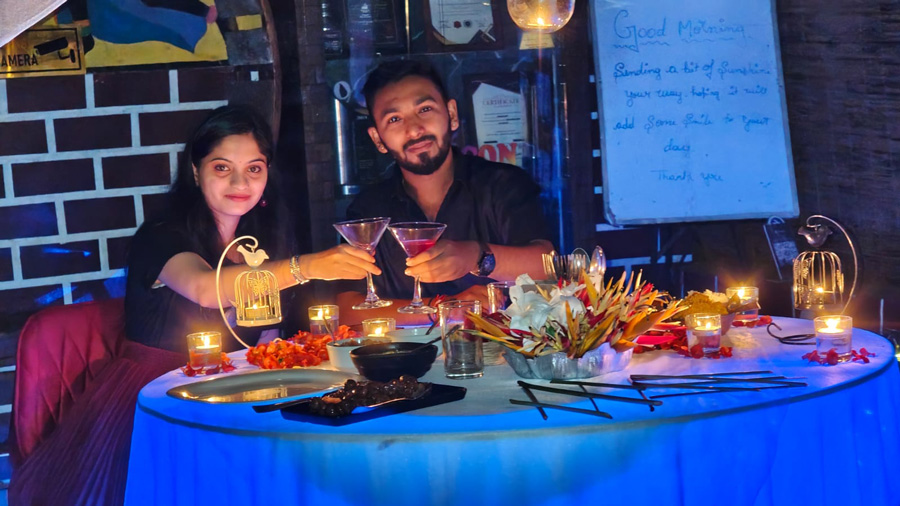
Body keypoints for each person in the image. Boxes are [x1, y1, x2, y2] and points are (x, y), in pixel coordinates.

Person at [126, 105, 381, 352]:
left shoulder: (261, 240)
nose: (240, 183)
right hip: (162, 377)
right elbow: (205, 289)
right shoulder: (160, 235)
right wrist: (306, 267)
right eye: (222, 167)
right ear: (196, 171)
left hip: (235, 377)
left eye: (254, 168)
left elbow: (266, 341)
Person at [338, 60, 553, 324]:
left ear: (451, 114)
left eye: (425, 109)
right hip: (405, 350)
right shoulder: (369, 209)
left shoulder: (502, 184)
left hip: (503, 347)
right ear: (377, 139)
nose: (414, 129)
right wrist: (444, 308)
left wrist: (476, 256)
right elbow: (347, 309)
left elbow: (548, 266)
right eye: (394, 119)